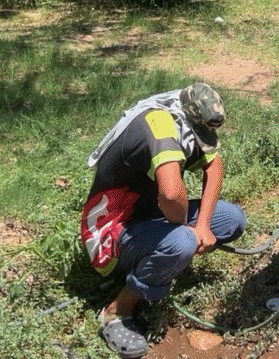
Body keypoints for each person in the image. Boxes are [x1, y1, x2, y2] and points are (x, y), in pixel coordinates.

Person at [81, 83, 246, 358]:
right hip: (112, 231)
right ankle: (118, 309)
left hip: (149, 214)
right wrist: (188, 233)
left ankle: (160, 262)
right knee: (183, 241)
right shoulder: (159, 125)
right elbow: (170, 195)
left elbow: (214, 167)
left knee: (232, 219)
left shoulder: (183, 116)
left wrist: (203, 224)